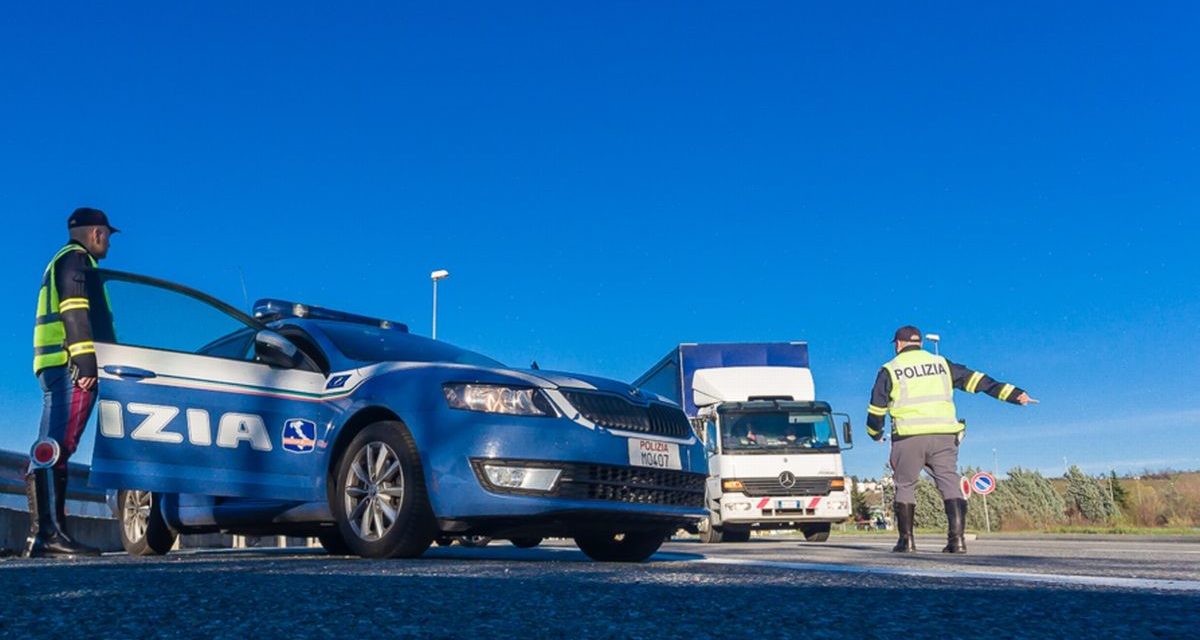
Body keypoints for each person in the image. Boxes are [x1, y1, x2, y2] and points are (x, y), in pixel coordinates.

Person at [866, 326, 1035, 554]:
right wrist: (1014, 394)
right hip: (944, 436)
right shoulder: (941, 365)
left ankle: (907, 541)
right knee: (949, 483)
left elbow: (877, 408)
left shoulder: (890, 369)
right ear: (921, 343)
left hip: (909, 438)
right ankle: (957, 540)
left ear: (898, 344)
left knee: (905, 485)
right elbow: (979, 381)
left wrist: (875, 433)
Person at [25, 207, 118, 558]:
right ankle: (51, 535)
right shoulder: (77, 259)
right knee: (60, 445)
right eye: (108, 235)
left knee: (48, 446)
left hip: (51, 364)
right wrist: (85, 360)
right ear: (96, 232)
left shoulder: (59, 260)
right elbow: (74, 309)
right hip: (70, 367)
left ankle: (40, 535)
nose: (108, 242)